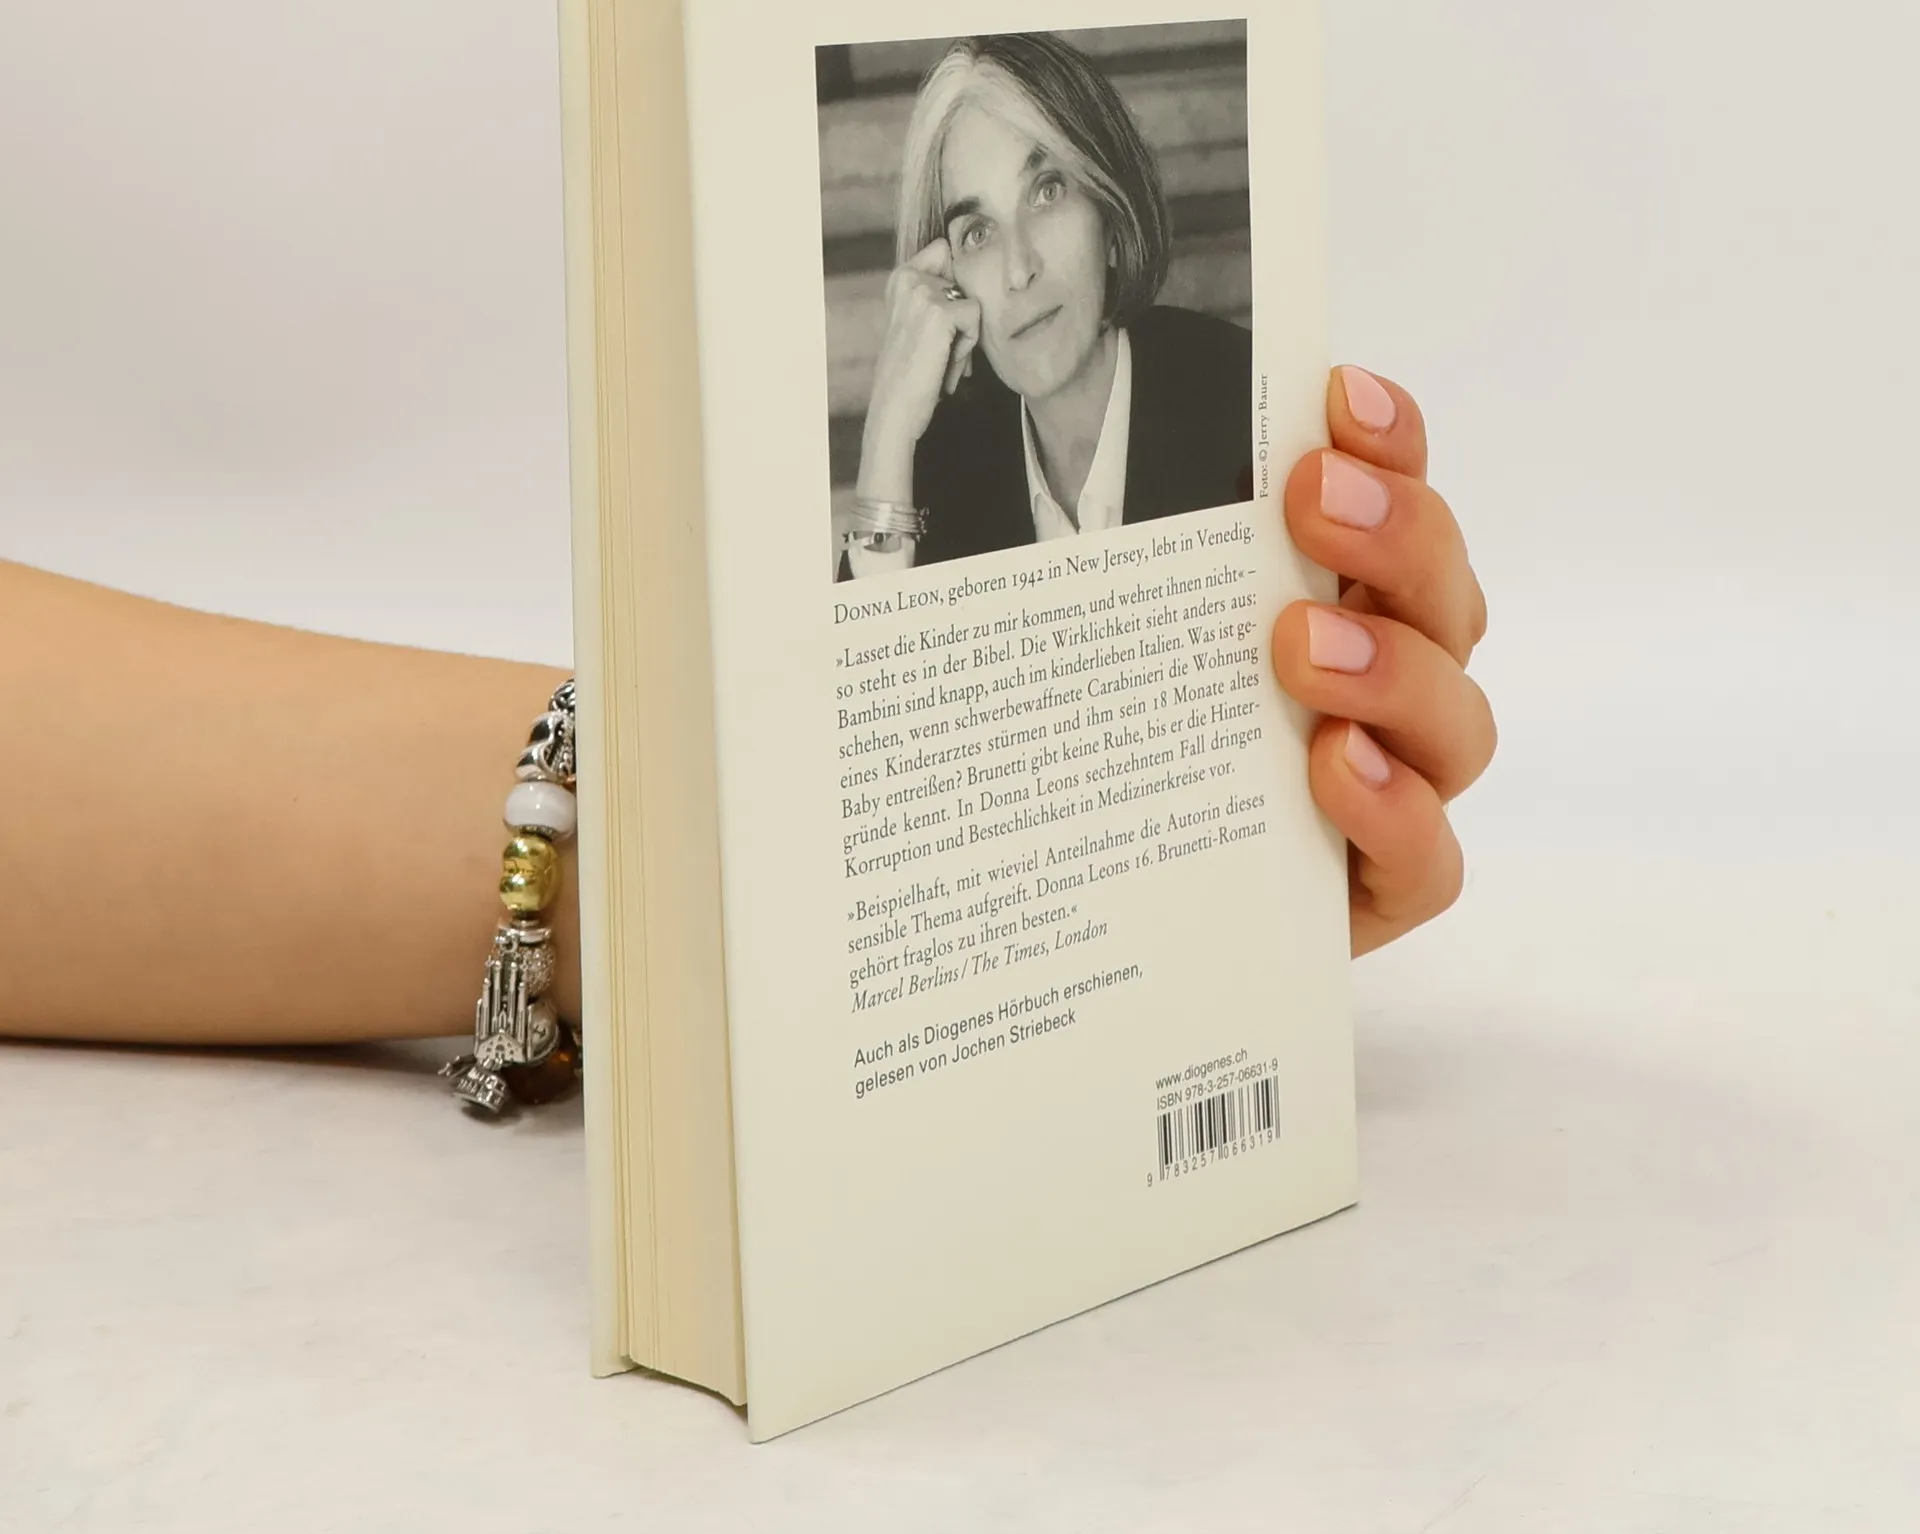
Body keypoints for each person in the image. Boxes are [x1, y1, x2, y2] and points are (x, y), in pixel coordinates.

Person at [0, 355, 1490, 1047]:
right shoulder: (941, 455)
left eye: (1052, 189)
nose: (1020, 260)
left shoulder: (1216, 394)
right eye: (974, 221)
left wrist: (1092, 860)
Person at [842, 31, 1251, 574]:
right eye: (978, 232)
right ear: (948, 283)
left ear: (1110, 214)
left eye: (1047, 191)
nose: (1019, 270)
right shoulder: (938, 468)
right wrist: (886, 434)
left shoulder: (1247, 405)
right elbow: (873, 626)